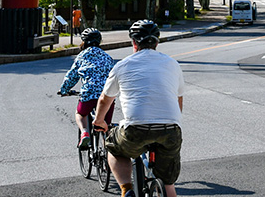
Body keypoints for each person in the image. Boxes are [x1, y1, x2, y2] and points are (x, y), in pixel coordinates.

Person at [93, 20, 184, 197]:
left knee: (114, 148)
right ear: (157, 42)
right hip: (171, 129)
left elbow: (105, 99)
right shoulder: (173, 64)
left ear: (133, 42)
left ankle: (127, 190)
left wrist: (99, 120)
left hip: (135, 129)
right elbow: (178, 99)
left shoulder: (122, 65)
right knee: (168, 183)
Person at [58, 28, 115, 150]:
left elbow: (71, 76)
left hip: (88, 94)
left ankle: (84, 132)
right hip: (107, 96)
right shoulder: (107, 57)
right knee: (106, 126)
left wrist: (64, 90)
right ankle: (108, 156)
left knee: (80, 113)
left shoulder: (81, 56)